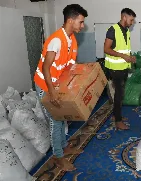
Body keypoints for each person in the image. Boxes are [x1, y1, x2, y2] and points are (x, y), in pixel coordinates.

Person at [33, 4, 88, 171]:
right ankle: (58, 157)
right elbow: (46, 67)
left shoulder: (72, 40)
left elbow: (69, 67)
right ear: (70, 20)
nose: (82, 25)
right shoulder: (56, 40)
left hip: (57, 84)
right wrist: (52, 91)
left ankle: (63, 147)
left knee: (62, 116)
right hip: (45, 84)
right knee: (55, 120)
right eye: (81, 21)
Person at [104, 8, 137, 130]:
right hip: (114, 68)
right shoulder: (113, 29)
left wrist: (130, 56)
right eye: (131, 20)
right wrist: (123, 56)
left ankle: (116, 115)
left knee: (120, 94)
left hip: (123, 67)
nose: (132, 22)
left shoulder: (126, 30)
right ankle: (118, 121)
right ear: (124, 17)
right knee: (119, 94)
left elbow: (123, 48)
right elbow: (106, 49)